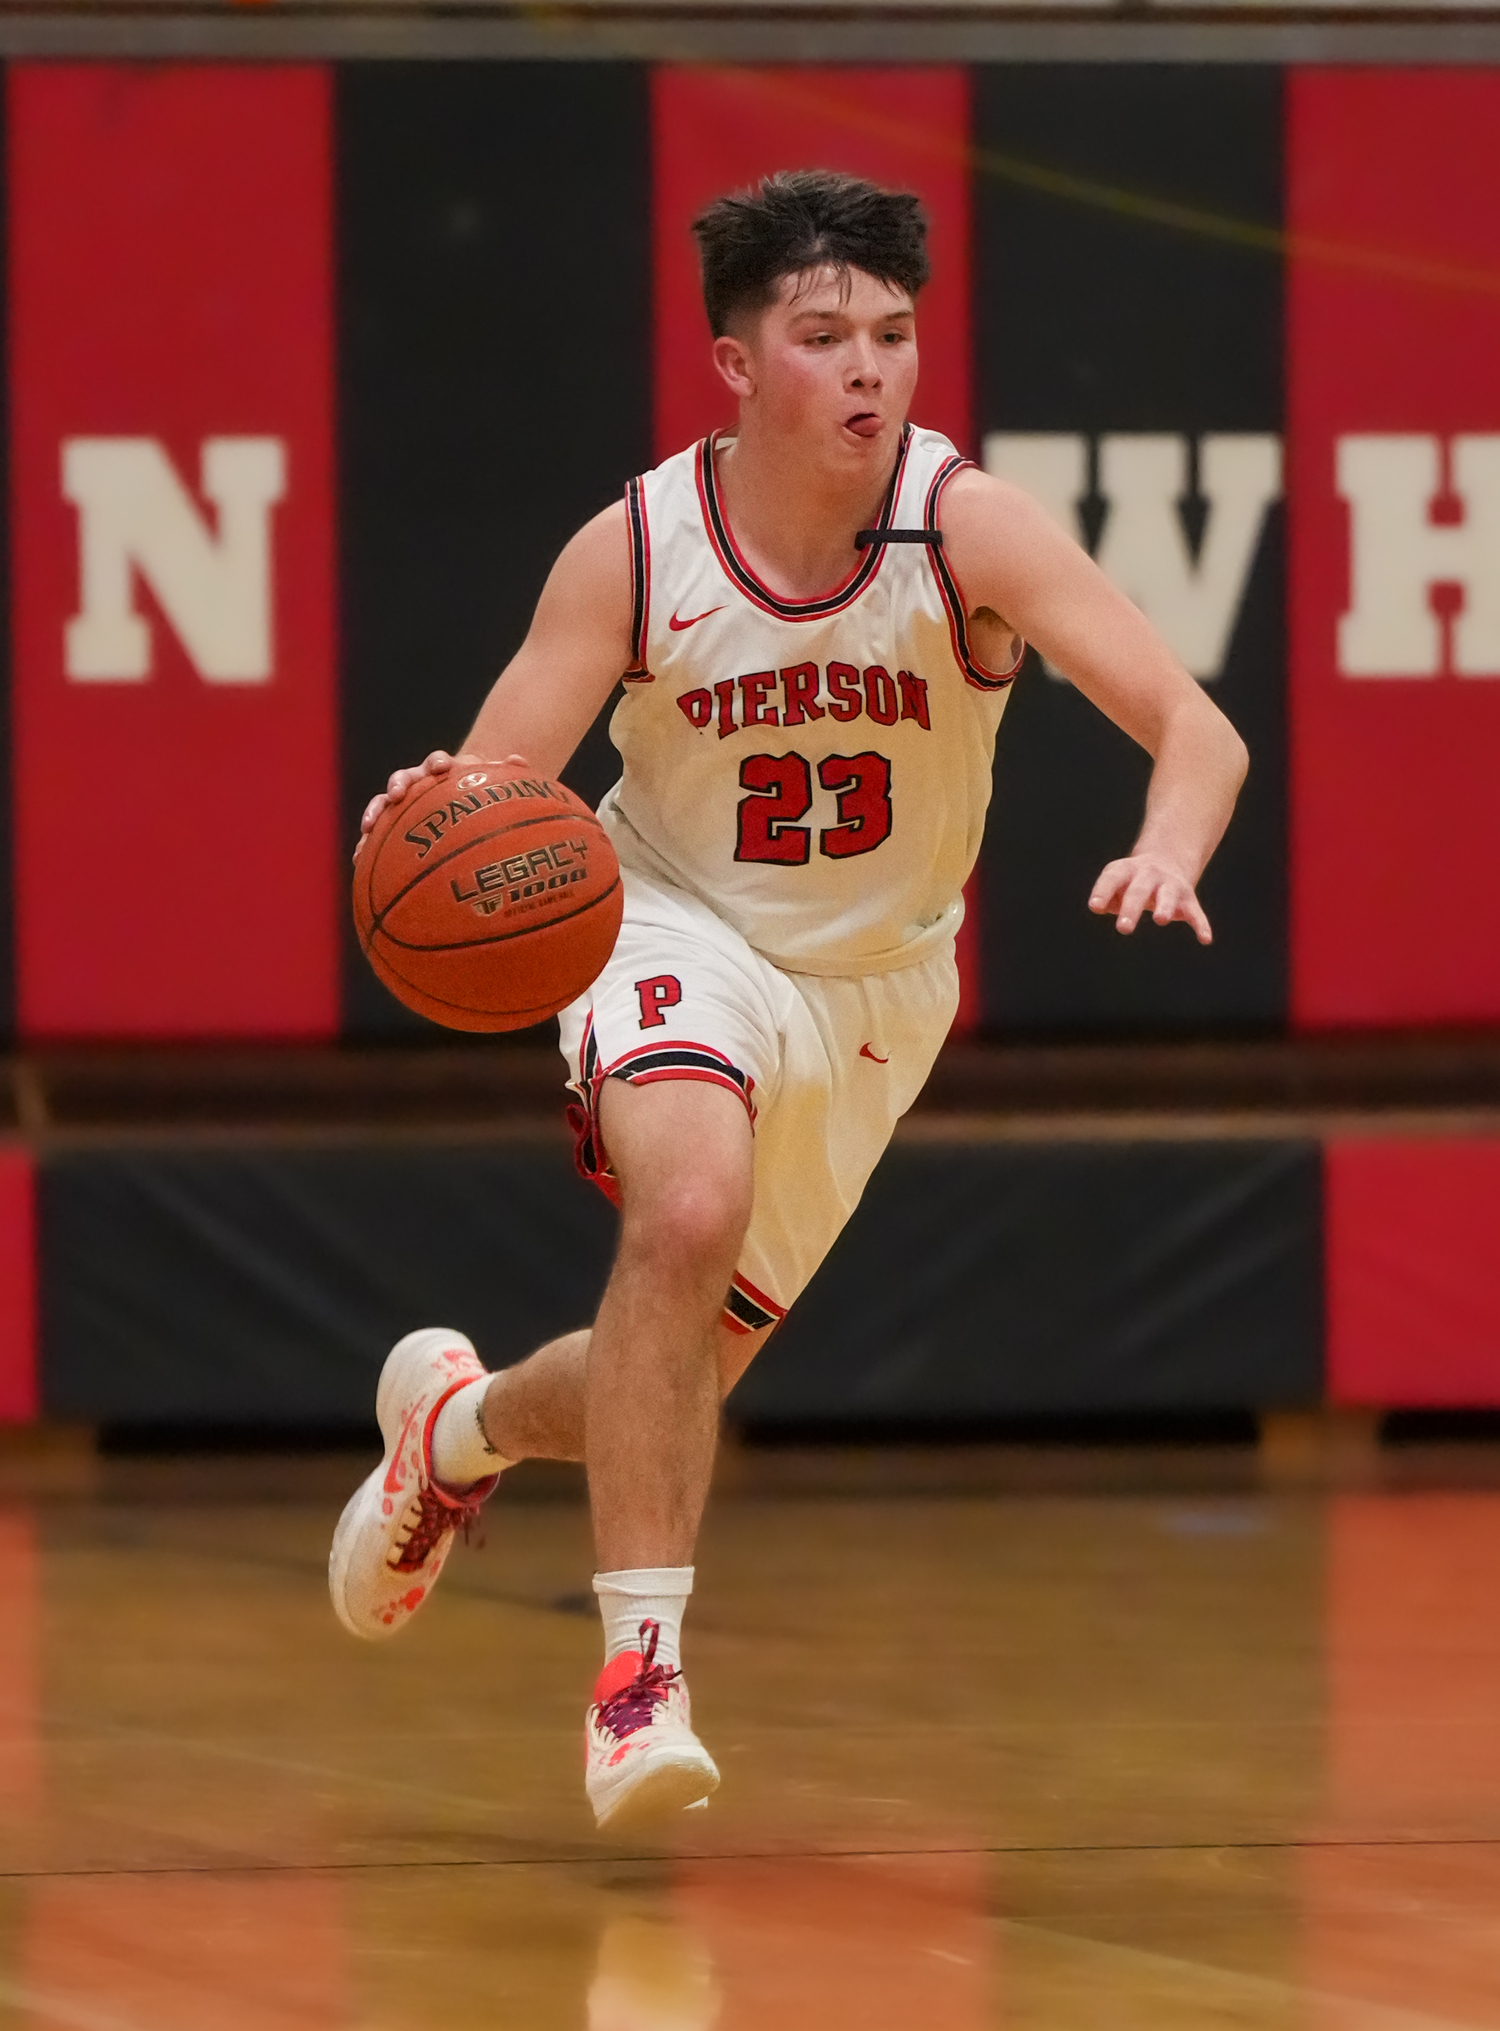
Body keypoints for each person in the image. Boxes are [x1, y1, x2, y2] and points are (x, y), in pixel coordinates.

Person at [328, 170, 1248, 1830]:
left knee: (660, 1368)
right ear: (737, 366)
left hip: (880, 988)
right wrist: (438, 807)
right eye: (824, 337)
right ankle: (639, 1676)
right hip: (665, 918)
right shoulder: (632, 550)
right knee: (685, 1204)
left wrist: (1169, 845)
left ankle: (454, 1433)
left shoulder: (968, 528)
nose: (871, 370)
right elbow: (492, 782)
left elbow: (1201, 728)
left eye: (894, 334)